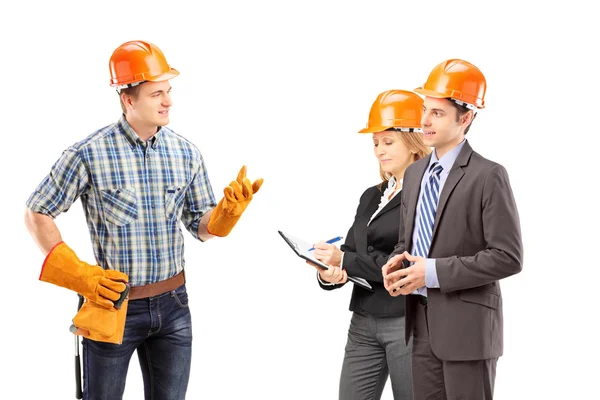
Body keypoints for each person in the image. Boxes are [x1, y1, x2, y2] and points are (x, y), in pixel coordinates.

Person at [24, 40, 263, 400]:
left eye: (168, 91)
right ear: (128, 99)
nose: (168, 101)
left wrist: (225, 214)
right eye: (156, 94)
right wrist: (77, 273)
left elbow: (199, 224)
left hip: (174, 307)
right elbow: (37, 211)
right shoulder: (88, 154)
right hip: (113, 307)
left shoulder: (185, 153)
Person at [381, 59, 523, 400]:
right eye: (424, 110)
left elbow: (507, 257)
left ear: (466, 117)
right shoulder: (414, 175)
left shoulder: (488, 175)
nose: (425, 121)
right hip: (421, 325)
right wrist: (396, 264)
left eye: (438, 113)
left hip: (468, 329)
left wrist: (430, 272)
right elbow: (408, 241)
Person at [309, 89, 430, 400]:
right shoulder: (371, 196)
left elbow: (402, 263)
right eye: (375, 143)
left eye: (388, 142)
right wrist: (330, 272)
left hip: (408, 321)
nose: (379, 150)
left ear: (414, 140)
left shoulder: (429, 197)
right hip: (363, 319)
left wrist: (345, 261)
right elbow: (352, 251)